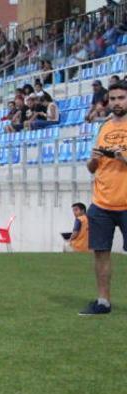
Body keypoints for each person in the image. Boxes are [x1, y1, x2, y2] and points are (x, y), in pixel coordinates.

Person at [81, 81, 127, 315]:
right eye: (113, 99)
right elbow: (91, 167)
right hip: (101, 202)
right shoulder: (103, 128)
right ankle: (103, 301)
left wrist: (122, 157)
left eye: (121, 98)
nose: (117, 103)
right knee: (101, 253)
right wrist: (95, 159)